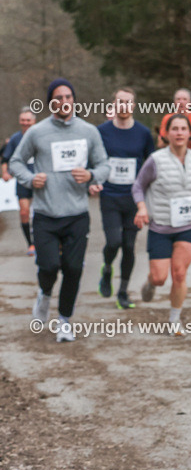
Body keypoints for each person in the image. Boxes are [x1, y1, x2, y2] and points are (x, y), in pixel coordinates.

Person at [10, 78, 110, 343]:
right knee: (50, 265)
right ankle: (44, 294)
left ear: (73, 100)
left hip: (76, 214)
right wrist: (31, 179)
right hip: (45, 213)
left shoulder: (88, 131)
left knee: (74, 268)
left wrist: (90, 174)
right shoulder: (37, 132)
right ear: (50, 102)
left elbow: (104, 166)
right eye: (58, 98)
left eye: (68, 97)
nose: (64, 102)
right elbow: (16, 162)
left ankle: (64, 320)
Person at [132, 113, 191, 333]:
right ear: (166, 133)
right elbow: (138, 186)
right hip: (161, 226)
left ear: (190, 134)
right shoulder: (155, 160)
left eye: (184, 129)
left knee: (179, 273)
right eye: (175, 129)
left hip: (190, 225)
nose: (180, 133)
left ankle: (174, 319)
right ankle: (151, 282)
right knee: (160, 277)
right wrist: (142, 208)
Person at [97, 87, 156, 309]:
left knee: (129, 246)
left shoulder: (142, 133)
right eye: (120, 101)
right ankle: (107, 267)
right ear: (114, 104)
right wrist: (94, 181)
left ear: (133, 106)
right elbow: (93, 159)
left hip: (134, 199)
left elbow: (151, 165)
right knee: (114, 241)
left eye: (128, 102)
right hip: (109, 196)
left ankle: (122, 292)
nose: (124, 106)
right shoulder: (101, 131)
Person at [1, 107, 38, 255]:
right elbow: (5, 159)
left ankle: (45, 241)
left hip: (41, 180)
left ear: (34, 121)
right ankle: (31, 244)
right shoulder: (15, 139)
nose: (25, 123)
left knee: (44, 212)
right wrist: (5, 172)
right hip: (22, 181)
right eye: (23, 120)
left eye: (28, 120)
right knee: (24, 212)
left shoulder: (41, 135)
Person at [157, 88, 191, 152]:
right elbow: (160, 144)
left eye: (184, 99)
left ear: (190, 103)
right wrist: (171, 137)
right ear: (174, 102)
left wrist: (188, 137)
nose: (181, 102)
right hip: (171, 156)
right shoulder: (167, 118)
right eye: (178, 99)